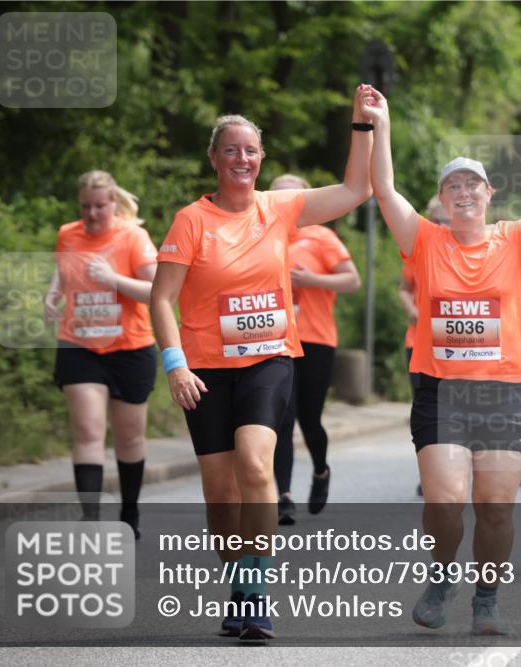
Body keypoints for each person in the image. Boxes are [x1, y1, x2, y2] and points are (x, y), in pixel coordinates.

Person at [366, 83, 521, 635]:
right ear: (442, 200)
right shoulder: (423, 240)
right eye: (451, 185)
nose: (462, 192)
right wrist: (381, 122)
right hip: (441, 390)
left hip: (507, 392)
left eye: (472, 183)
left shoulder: (515, 240)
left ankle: (485, 598)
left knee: (495, 508)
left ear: (489, 193)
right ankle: (442, 574)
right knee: (445, 501)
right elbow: (383, 187)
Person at [150, 89, 373, 642]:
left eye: (251, 150)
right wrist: (175, 366)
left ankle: (257, 595)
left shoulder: (279, 209)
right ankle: (237, 585)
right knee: (221, 497)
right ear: (215, 158)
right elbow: (160, 299)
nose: (242, 159)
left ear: (261, 159)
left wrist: (362, 126)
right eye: (232, 150)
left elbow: (355, 189)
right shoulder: (191, 221)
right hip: (203, 369)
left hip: (270, 359)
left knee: (256, 465)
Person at [46, 170, 158, 539]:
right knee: (88, 430)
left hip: (130, 347)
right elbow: (62, 275)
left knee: (128, 438)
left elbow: (157, 291)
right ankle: (90, 519)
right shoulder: (68, 234)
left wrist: (114, 280)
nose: (92, 214)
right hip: (80, 345)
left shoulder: (132, 237)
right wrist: (53, 295)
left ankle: (130, 512)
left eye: (99, 207)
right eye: (85, 207)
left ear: (114, 204)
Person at [270, 174, 362, 523]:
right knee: (282, 416)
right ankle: (282, 495)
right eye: (277, 196)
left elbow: (352, 280)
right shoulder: (262, 235)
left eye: (291, 196)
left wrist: (309, 280)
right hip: (274, 339)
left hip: (316, 339)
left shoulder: (321, 236)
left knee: (309, 418)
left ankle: (321, 470)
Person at [398, 196, 450, 498]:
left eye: (447, 219)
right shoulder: (419, 249)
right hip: (419, 341)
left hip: (460, 349)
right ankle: (430, 470)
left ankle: (459, 464)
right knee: (426, 405)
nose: (443, 224)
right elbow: (404, 288)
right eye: (437, 219)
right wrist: (412, 309)